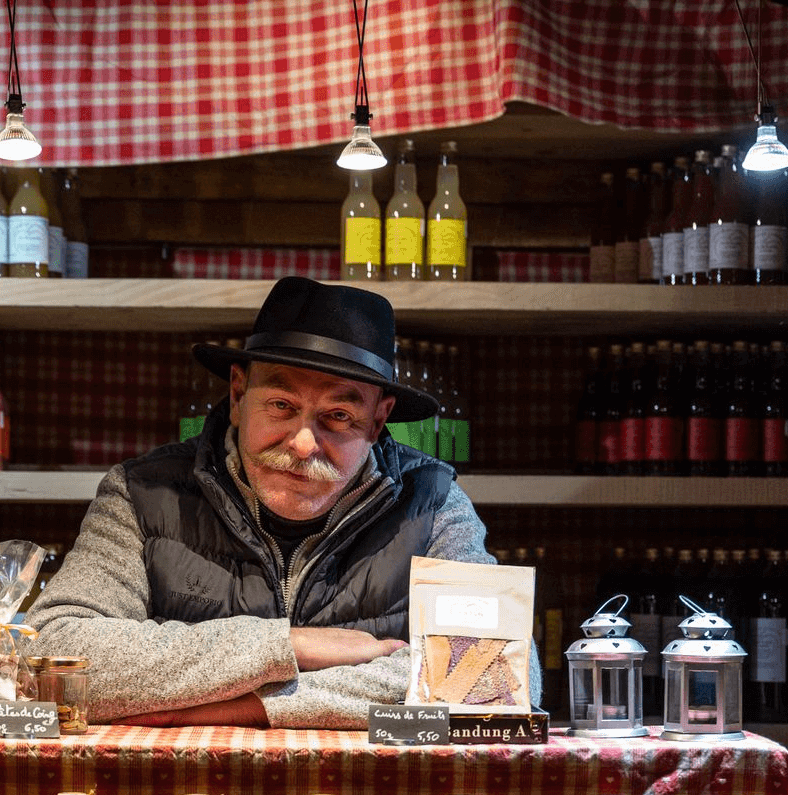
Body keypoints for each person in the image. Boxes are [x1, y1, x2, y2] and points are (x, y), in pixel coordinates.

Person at [27, 276, 531, 727]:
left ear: (379, 420)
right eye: (282, 406)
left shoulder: (434, 503)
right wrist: (289, 646)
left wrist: (238, 706)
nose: (304, 444)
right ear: (238, 393)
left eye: (337, 416)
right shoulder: (141, 494)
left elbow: (493, 672)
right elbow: (51, 655)